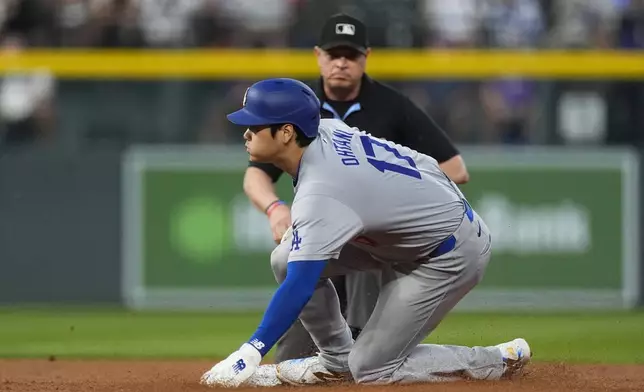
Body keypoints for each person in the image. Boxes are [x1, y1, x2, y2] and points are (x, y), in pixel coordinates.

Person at [200, 78, 531, 388]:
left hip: (448, 254)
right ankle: (336, 361)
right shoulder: (325, 129)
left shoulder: (322, 193)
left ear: (286, 133)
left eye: (255, 125)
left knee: (370, 369)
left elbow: (300, 285)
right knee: (286, 258)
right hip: (408, 235)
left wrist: (251, 351)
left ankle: (494, 360)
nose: (246, 133)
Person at [243, 13, 470, 363]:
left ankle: (363, 357)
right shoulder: (298, 104)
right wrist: (275, 208)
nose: (341, 63)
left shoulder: (392, 105)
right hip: (319, 228)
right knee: (291, 356)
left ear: (366, 57)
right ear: (318, 55)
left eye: (351, 55)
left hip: (371, 241)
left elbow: (455, 169)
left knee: (364, 353)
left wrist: (391, 198)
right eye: (334, 55)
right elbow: (255, 174)